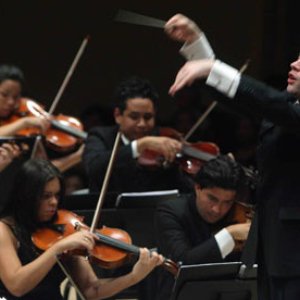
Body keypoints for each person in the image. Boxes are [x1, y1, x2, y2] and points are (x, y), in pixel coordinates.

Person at [165, 13, 300, 300]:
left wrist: (212, 67)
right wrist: (197, 47)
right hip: (275, 250)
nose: (294, 64)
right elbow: (246, 97)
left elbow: (269, 101)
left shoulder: (289, 111)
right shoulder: (288, 106)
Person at [0, 158, 163, 300]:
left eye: (57, 195)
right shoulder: (4, 230)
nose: (54, 202)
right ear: (26, 196)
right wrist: (58, 248)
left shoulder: (63, 229)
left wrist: (133, 277)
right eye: (45, 196)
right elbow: (17, 286)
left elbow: (91, 290)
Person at [154, 155, 250, 300]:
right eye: (212, 198)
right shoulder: (170, 212)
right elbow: (183, 264)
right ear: (197, 187)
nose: (217, 209)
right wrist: (228, 234)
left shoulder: (239, 216)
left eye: (227, 202)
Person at [83, 76, 192, 194]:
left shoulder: (163, 139)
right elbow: (93, 168)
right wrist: (138, 146)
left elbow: (185, 188)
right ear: (118, 115)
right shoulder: (99, 136)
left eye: (148, 117)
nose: (142, 124)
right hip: (108, 211)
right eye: (134, 117)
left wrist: (174, 166)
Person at [0, 64, 84, 173]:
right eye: (4, 95)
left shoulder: (26, 136)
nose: (11, 102)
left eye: (16, 97)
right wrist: (25, 122)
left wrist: (77, 156)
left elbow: (40, 175)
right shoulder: (24, 123)